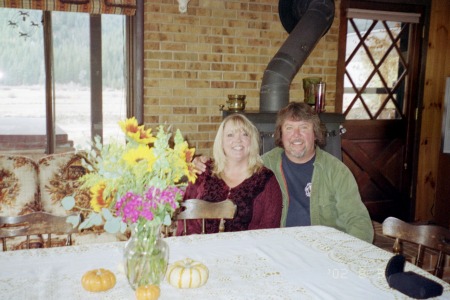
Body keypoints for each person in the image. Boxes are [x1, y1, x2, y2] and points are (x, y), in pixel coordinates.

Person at [194, 102, 374, 243]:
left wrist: (345, 256)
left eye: (303, 127)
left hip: (322, 250)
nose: (296, 135)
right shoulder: (265, 165)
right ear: (280, 133)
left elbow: (358, 221)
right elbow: (235, 163)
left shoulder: (336, 171)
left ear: (315, 133)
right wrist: (202, 162)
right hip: (280, 247)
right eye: (289, 128)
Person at [176, 113, 282, 235]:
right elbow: (186, 223)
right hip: (203, 250)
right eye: (230, 135)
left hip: (248, 251)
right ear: (221, 142)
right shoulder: (203, 171)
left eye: (244, 134)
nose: (238, 140)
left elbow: (270, 230)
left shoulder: (266, 180)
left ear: (252, 142)